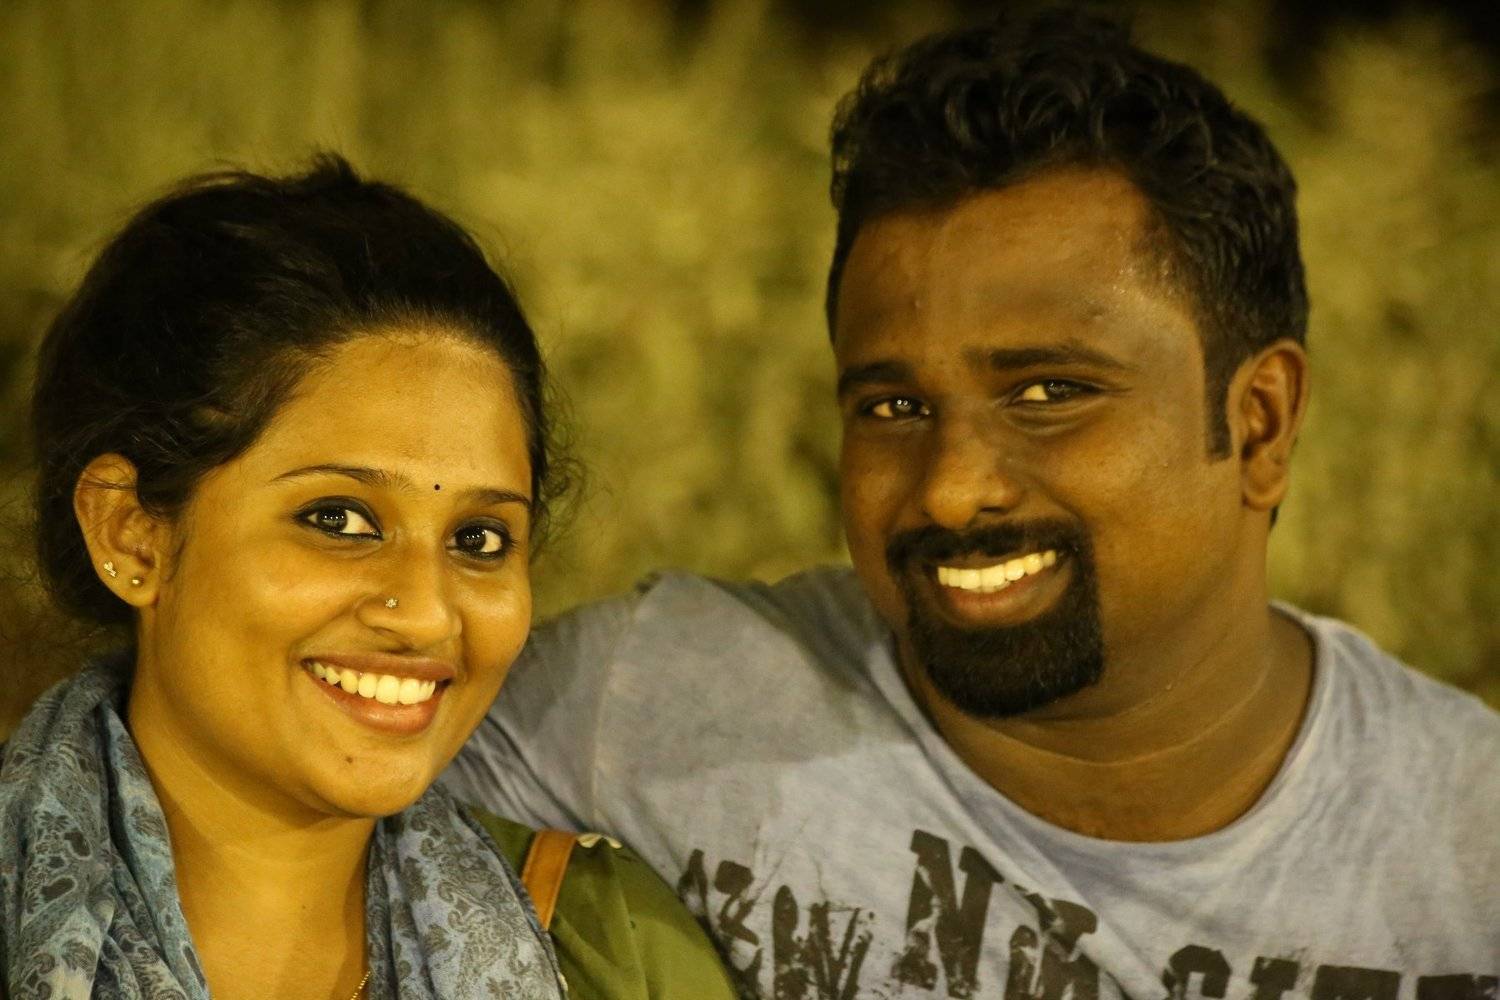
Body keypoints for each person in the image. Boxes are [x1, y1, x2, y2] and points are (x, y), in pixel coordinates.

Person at [443, 9, 1500, 998]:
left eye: (1048, 394)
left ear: (1259, 424)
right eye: (894, 407)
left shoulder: (1470, 849)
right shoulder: (647, 708)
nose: (951, 489)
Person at [0, 158, 736, 1000]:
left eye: (478, 538)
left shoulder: (609, 950)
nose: (425, 614)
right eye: (339, 520)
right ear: (132, 535)